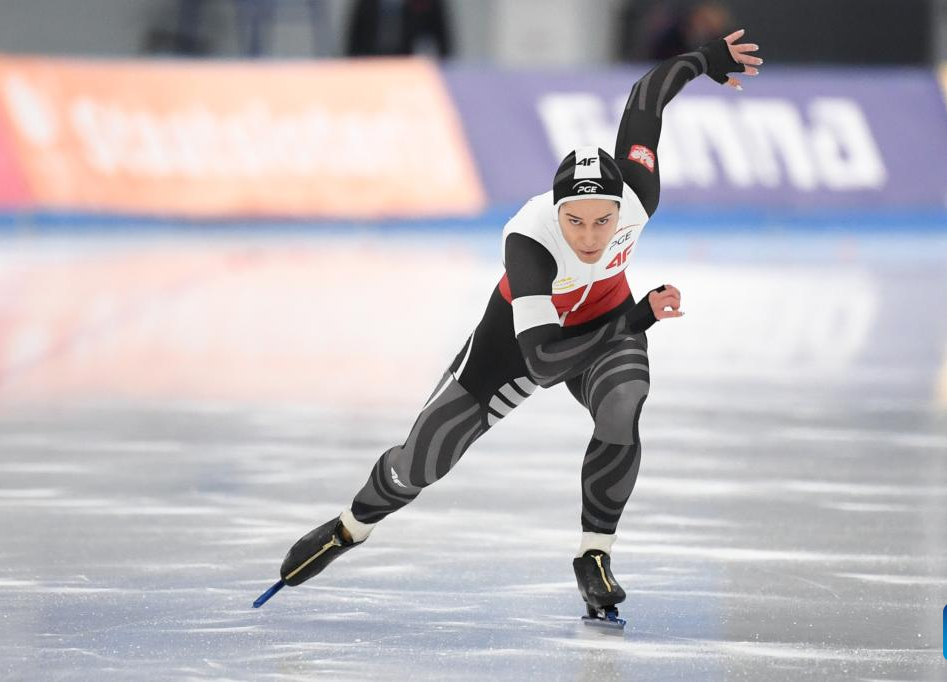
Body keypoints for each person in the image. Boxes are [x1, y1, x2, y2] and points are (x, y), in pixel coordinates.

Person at [274, 30, 762, 622]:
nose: (590, 237)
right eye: (575, 221)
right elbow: (544, 363)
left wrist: (701, 59)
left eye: (603, 221)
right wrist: (637, 318)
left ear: (623, 208)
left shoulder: (639, 192)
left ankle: (595, 555)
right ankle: (350, 527)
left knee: (624, 400)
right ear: (556, 213)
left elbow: (645, 99)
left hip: (605, 317)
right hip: (516, 343)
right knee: (425, 460)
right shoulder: (529, 241)